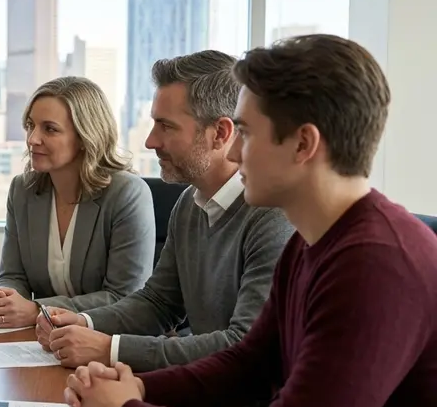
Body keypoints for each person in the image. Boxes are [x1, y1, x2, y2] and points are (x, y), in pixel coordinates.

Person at [64, 34, 437, 407]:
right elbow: (247, 365)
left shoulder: (377, 262)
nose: (234, 153)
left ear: (303, 144)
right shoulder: (314, 238)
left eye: (245, 132)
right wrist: (134, 387)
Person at [38, 50, 295, 372]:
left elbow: (244, 343)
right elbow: (159, 303)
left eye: (166, 126)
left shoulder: (274, 218)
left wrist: (110, 349)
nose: (149, 141)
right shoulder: (189, 204)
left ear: (221, 133)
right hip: (205, 391)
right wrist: (85, 321)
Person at [0, 76, 155, 330]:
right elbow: (12, 275)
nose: (32, 139)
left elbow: (124, 297)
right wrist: (5, 299)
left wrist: (39, 311)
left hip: (105, 343)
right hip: (42, 341)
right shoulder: (22, 190)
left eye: (49, 129)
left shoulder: (127, 194)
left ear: (85, 137)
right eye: (30, 125)